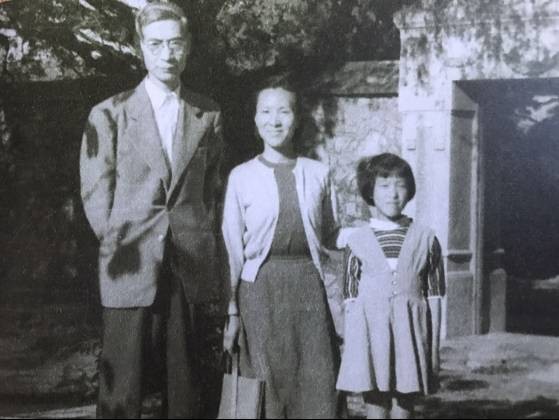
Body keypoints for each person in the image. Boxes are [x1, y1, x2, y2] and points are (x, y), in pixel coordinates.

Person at [79, 2, 224, 418]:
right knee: (122, 389)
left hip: (188, 263)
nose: (167, 54)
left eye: (175, 43)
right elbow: (95, 192)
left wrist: (196, 234)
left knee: (187, 386)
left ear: (188, 46)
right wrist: (121, 238)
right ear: (140, 47)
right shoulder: (109, 113)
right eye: (156, 44)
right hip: (129, 262)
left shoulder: (208, 113)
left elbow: (211, 190)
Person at [221, 74, 341, 419]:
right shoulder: (241, 177)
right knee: (265, 388)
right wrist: (232, 312)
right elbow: (231, 250)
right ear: (255, 120)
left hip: (309, 291)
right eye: (266, 112)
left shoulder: (319, 174)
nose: (274, 121)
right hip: (259, 293)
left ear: (297, 119)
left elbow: (333, 237)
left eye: (284, 112)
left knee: (318, 383)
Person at [336, 153, 445, 419]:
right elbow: (350, 299)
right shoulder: (356, 241)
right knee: (375, 405)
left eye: (400, 185)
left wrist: (433, 349)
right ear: (370, 192)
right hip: (371, 337)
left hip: (409, 336)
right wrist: (354, 350)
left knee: (403, 407)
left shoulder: (426, 239)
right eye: (384, 186)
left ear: (410, 191)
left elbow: (435, 296)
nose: (393, 194)